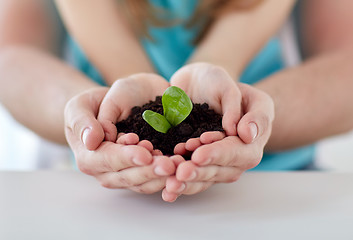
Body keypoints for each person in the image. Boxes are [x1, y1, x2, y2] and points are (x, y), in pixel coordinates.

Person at [0, 0, 351, 202]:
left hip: (278, 187)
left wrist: (247, 117)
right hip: (103, 191)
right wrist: (88, 116)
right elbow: (11, 58)